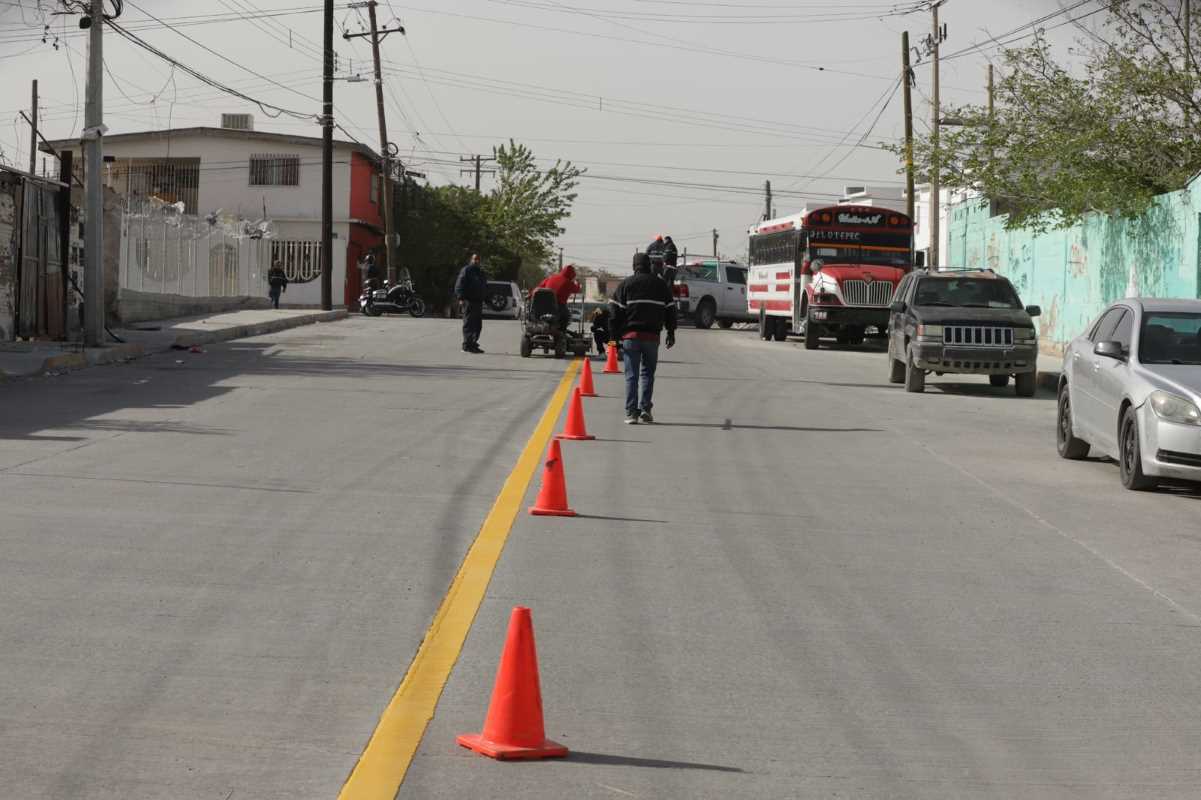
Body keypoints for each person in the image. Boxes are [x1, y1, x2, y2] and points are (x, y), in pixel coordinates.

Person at [609, 252, 677, 424]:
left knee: (631, 375)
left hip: (630, 337)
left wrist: (613, 339)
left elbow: (614, 314)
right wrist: (671, 332)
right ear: (649, 265)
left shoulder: (626, 284)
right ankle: (645, 409)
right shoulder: (660, 285)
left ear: (634, 266)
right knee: (647, 374)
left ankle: (632, 413)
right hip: (652, 338)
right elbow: (670, 310)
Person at [454, 254, 488, 353]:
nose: (476, 261)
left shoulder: (481, 272)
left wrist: (486, 298)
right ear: (471, 260)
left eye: (478, 259)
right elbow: (459, 284)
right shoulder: (467, 270)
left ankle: (473, 344)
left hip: (478, 302)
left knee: (477, 325)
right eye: (474, 259)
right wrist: (460, 298)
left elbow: (485, 286)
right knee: (469, 323)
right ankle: (466, 345)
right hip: (468, 301)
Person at [536, 263, 581, 331]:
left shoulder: (551, 277)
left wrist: (530, 296)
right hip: (558, 307)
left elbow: (539, 288)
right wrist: (577, 282)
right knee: (567, 317)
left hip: (542, 306)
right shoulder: (567, 282)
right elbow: (577, 289)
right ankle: (561, 332)